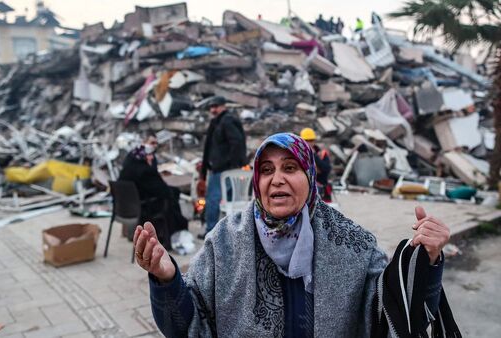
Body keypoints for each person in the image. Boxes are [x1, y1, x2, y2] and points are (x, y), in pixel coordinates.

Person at [133, 133, 460, 337]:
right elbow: (185, 325)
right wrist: (167, 278)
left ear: (310, 176)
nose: (276, 180)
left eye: (290, 168)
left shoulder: (352, 242)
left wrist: (425, 260)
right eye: (266, 170)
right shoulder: (225, 242)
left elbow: (393, 315)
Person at [118, 133, 188, 250]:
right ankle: (167, 235)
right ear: (144, 142)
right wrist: (150, 165)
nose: (154, 146)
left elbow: (152, 180)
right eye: (151, 143)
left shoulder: (135, 155)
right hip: (141, 202)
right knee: (169, 196)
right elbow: (148, 178)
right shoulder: (140, 159)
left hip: (129, 202)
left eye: (156, 143)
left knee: (172, 192)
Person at [197, 96, 247, 239]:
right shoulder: (217, 122)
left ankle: (211, 231)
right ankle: (230, 231)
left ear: (223, 106)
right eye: (211, 107)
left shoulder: (227, 121)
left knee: (213, 199)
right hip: (222, 169)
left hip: (222, 170)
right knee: (229, 201)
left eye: (216, 106)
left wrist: (230, 164)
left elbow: (236, 143)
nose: (213, 109)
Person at [300, 128, 332, 202]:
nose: (308, 143)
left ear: (314, 141)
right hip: (305, 192)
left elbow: (326, 169)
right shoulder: (298, 155)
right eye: (306, 141)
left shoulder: (322, 154)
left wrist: (314, 155)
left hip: (322, 191)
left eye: (310, 140)